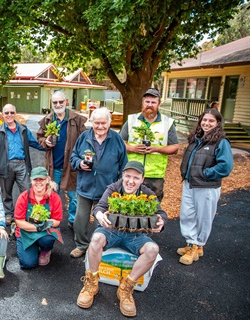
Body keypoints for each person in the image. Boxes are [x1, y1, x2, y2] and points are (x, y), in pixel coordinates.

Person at [77, 161, 167, 317]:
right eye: (128, 176)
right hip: (112, 231)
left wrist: (161, 221)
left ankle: (126, 287)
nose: (131, 181)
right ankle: (91, 283)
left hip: (135, 235)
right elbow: (99, 207)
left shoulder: (148, 194)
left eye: (136, 178)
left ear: (142, 179)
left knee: (153, 249)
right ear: (122, 176)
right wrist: (99, 215)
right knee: (96, 238)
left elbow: (161, 213)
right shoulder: (113, 189)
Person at [69, 107, 127, 259]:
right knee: (80, 220)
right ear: (92, 122)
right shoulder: (84, 137)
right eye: (97, 123)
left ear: (109, 122)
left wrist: (120, 187)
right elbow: (73, 157)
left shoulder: (116, 139)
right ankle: (81, 245)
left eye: (103, 123)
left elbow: (124, 165)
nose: (100, 126)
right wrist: (79, 163)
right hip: (85, 186)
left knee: (102, 221)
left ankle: (97, 247)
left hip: (107, 188)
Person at [177, 109, 233, 266]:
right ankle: (191, 243)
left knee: (203, 217)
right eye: (204, 120)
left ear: (217, 123)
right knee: (187, 214)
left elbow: (226, 166)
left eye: (211, 121)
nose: (206, 123)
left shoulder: (221, 142)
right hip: (190, 183)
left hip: (206, 186)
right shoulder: (196, 139)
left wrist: (206, 174)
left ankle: (197, 245)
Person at [37, 91, 87, 228]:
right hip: (54, 166)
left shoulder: (77, 120)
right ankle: (54, 221)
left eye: (60, 102)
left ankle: (73, 221)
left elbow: (86, 140)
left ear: (66, 102)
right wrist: (45, 141)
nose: (58, 105)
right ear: (51, 104)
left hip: (72, 166)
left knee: (74, 197)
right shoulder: (48, 120)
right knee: (52, 196)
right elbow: (39, 137)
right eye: (55, 102)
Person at [120, 88, 179, 201]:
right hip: (132, 173)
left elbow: (175, 147)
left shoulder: (167, 123)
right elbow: (120, 143)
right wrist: (133, 148)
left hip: (155, 176)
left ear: (159, 104)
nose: (149, 105)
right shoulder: (132, 120)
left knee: (152, 209)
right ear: (142, 102)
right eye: (147, 102)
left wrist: (157, 149)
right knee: (128, 205)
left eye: (153, 102)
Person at [14, 167, 62, 268]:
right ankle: (32, 247)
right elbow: (19, 222)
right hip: (25, 232)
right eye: (36, 179)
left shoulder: (54, 197)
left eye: (42, 179)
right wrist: (38, 227)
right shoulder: (23, 197)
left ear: (47, 180)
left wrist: (44, 225)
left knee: (47, 240)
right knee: (28, 264)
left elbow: (57, 221)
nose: (38, 182)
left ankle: (45, 250)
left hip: (45, 232)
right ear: (31, 181)